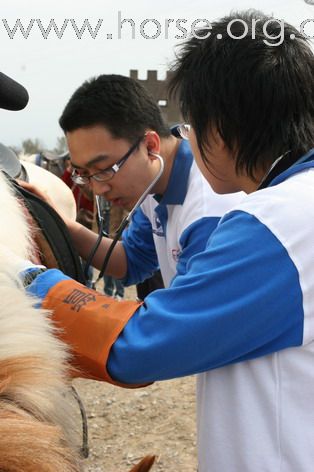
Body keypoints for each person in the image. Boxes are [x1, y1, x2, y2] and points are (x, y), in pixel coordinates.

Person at [21, 10, 314, 471]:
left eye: (193, 126)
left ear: (221, 127)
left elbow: (144, 345)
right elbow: (132, 262)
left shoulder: (271, 224)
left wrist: (27, 280)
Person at [53, 73, 243, 289]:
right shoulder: (153, 184)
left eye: (104, 169)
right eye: (84, 173)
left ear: (150, 146)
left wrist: (56, 292)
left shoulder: (208, 212)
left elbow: (190, 316)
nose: (98, 189)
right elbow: (131, 260)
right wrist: (55, 222)